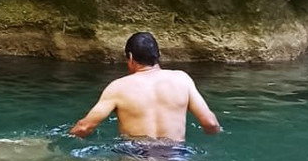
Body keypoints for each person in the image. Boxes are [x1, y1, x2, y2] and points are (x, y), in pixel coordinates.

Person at [70, 32, 221, 142]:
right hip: (175, 158)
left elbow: (84, 127)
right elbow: (211, 124)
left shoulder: (118, 87)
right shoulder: (182, 79)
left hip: (136, 158)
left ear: (130, 57)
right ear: (158, 55)